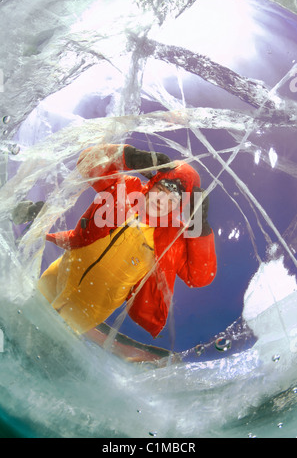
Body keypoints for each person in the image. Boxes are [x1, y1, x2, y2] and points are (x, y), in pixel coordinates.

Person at [37, 143, 217, 338]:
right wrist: (130, 157)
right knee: (25, 314)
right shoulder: (125, 189)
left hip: (88, 309)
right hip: (57, 276)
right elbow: (87, 163)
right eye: (161, 191)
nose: (161, 201)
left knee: (51, 343)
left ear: (179, 207)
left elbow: (199, 277)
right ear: (152, 184)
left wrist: (199, 227)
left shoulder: (172, 239)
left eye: (172, 200)